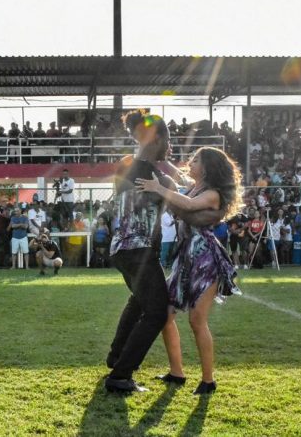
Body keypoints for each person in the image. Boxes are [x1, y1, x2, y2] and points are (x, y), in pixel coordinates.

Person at [104, 110, 222, 394]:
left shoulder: (129, 167)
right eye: (167, 140)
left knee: (139, 302)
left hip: (122, 249)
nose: (171, 148)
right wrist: (215, 215)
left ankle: (116, 357)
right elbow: (188, 212)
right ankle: (121, 376)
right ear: (155, 137)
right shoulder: (153, 177)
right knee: (157, 313)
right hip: (139, 251)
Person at [135, 146, 242, 395]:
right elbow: (179, 185)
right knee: (164, 314)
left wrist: (159, 188)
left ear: (207, 167)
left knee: (197, 320)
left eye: (196, 160)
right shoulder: (196, 186)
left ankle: (208, 380)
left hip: (205, 260)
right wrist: (161, 162)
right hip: (185, 258)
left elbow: (188, 204)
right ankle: (177, 373)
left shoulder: (212, 194)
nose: (190, 164)